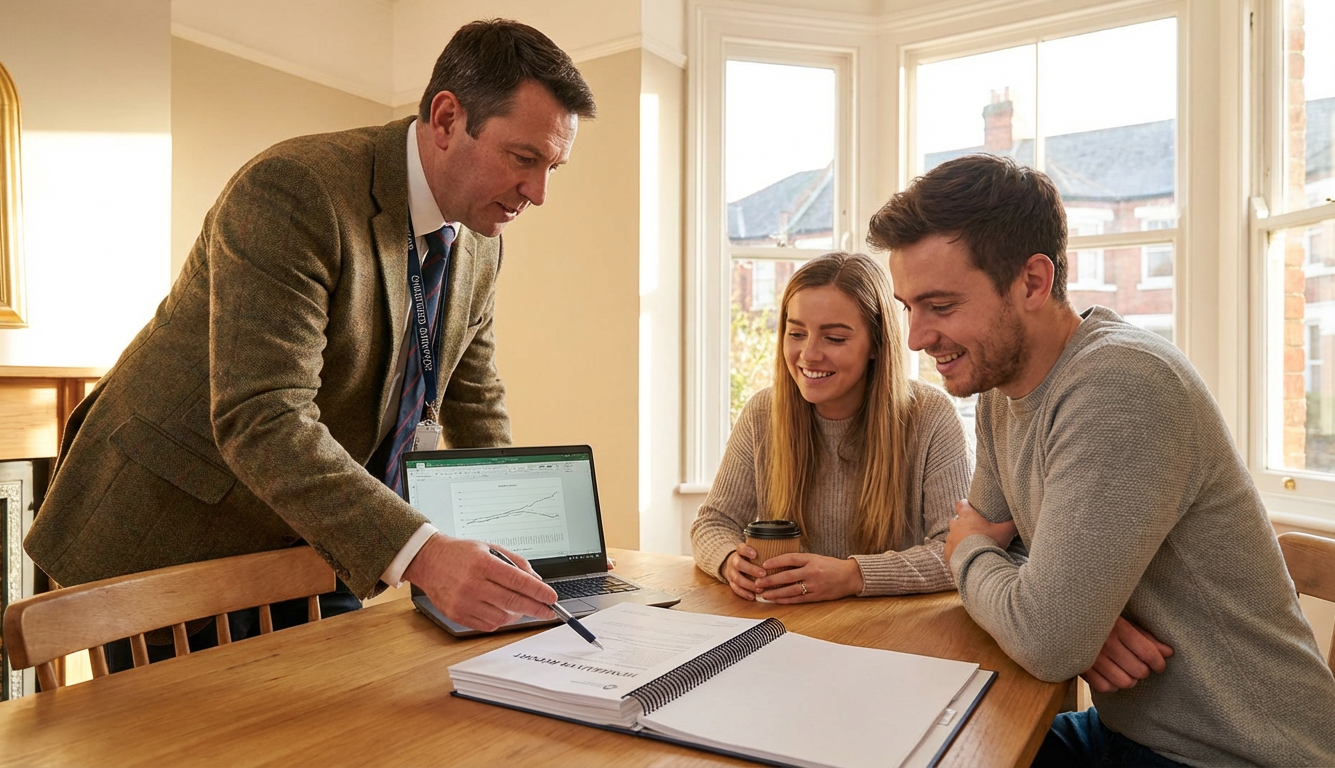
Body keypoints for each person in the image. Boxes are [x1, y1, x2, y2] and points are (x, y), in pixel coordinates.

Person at [24, 19, 597, 660]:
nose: (539, 193)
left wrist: (519, 562)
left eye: (553, 166)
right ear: (445, 119)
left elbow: (474, 398)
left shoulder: (480, 248)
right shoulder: (296, 190)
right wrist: (428, 556)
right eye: (524, 158)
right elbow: (262, 415)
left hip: (314, 532)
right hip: (175, 527)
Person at [869, 153, 1335, 766]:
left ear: (1032, 281)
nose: (916, 337)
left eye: (941, 307)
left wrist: (992, 568)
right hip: (1134, 736)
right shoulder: (1004, 389)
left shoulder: (1121, 385)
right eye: (907, 307)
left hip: (1239, 755)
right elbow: (1031, 582)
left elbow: (1009, 587)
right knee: (903, 743)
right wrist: (1075, 617)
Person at [690, 252, 971, 603]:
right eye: (796, 333)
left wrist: (853, 576)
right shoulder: (763, 412)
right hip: (789, 624)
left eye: (834, 339)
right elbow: (713, 523)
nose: (808, 354)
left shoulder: (931, 416)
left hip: (892, 631)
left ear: (876, 344)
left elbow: (957, 552)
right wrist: (730, 560)